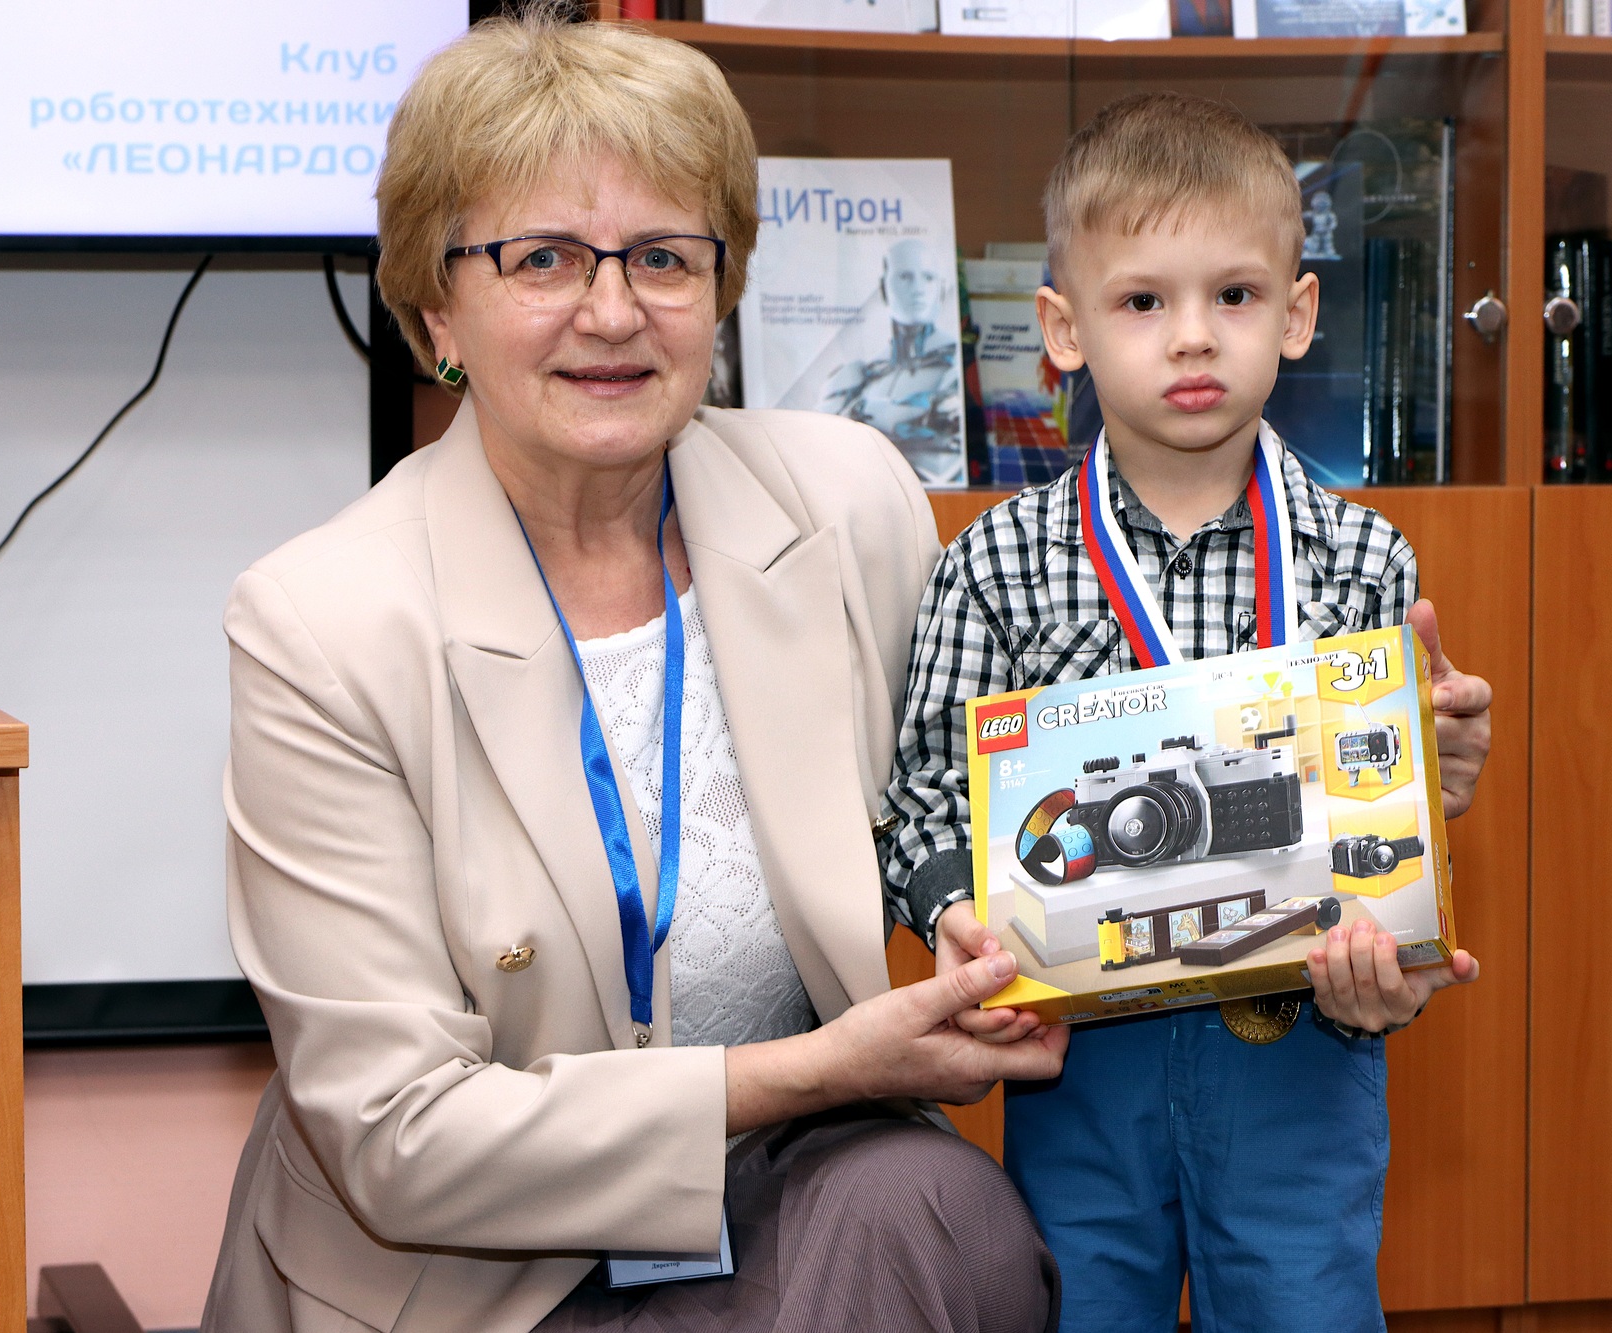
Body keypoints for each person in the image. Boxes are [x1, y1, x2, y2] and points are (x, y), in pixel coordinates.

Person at [202, 14, 1065, 1333]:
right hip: (464, 1269)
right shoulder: (323, 621)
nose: (611, 313)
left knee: (940, 1212)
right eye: (541, 258)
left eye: (662, 256)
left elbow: (1007, 780)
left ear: (720, 288)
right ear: (437, 306)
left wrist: (1357, 855)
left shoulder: (845, 502)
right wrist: (816, 1067)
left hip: (780, 1195)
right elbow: (400, 1137)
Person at [881, 92, 1493, 1333]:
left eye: (1234, 295)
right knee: (1080, 1309)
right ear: (1062, 330)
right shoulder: (993, 564)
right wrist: (956, 915)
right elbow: (922, 794)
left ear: (1297, 315)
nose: (1193, 337)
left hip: (1297, 1042)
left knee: (1303, 1309)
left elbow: (1382, 812)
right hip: (1077, 1058)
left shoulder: (1357, 558)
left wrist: (1417, 845)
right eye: (1142, 302)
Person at [820, 238, 965, 484]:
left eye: (928, 278)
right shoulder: (855, 377)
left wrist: (869, 412)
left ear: (941, 289)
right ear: (883, 288)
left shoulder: (957, 367)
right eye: (905, 277)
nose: (918, 289)